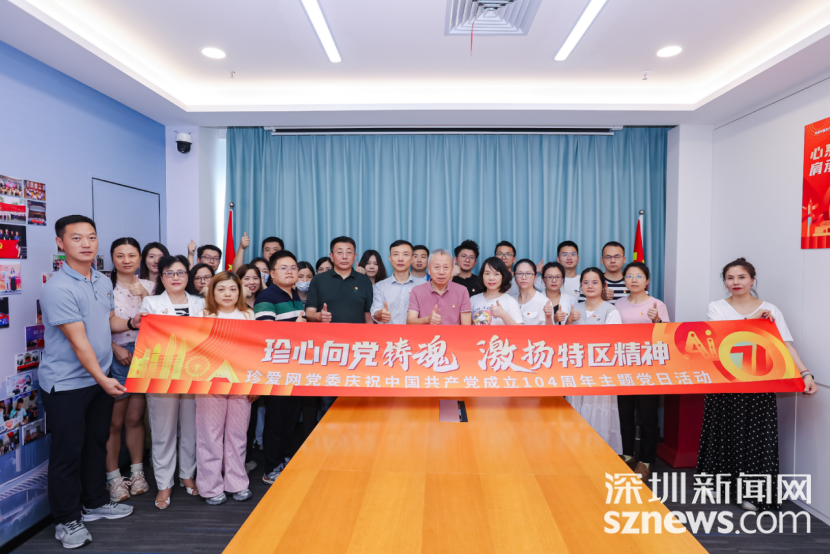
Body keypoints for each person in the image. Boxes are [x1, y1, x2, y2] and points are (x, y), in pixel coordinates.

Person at [39, 215, 134, 548]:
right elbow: (78, 342)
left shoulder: (102, 280)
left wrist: (133, 321)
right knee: (67, 452)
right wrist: (104, 380)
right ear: (60, 243)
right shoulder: (58, 288)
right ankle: (66, 520)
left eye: (91, 237)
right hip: (67, 384)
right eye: (76, 238)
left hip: (98, 380)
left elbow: (107, 321)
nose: (86, 244)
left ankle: (94, 503)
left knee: (96, 442)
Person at [697, 258, 817, 512]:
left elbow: (785, 345)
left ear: (752, 280)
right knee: (723, 433)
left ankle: (752, 494)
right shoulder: (716, 307)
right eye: (730, 278)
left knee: (756, 438)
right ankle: (721, 485)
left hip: (759, 383)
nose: (736, 282)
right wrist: (755, 319)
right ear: (724, 282)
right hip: (725, 383)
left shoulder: (770, 309)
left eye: (742, 277)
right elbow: (724, 338)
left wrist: (805, 373)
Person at [139, 255, 205, 510]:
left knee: (191, 428)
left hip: (195, 372)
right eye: (169, 273)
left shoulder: (201, 303)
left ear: (188, 276)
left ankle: (187, 474)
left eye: (180, 272)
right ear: (161, 277)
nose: (175, 277)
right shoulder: (151, 302)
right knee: (163, 431)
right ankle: (164, 483)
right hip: (162, 373)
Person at [196, 272, 256, 505]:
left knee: (237, 436)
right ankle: (210, 487)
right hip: (209, 383)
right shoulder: (202, 315)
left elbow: (256, 351)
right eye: (221, 289)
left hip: (242, 383)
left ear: (240, 291)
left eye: (232, 289)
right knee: (209, 436)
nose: (227, 294)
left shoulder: (248, 315)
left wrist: (255, 383)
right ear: (212, 292)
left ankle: (237, 483)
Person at [106, 238, 152, 503]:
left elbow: (159, 320)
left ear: (139, 258)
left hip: (144, 355)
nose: (126, 260)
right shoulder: (104, 286)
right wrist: (114, 347)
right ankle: (113, 478)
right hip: (117, 355)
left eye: (132, 255)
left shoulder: (150, 286)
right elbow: (95, 325)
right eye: (120, 255)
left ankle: (137, 473)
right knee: (114, 422)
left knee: (135, 419)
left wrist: (144, 293)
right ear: (112, 258)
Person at [254, 251, 306, 485]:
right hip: (275, 370)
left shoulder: (294, 294)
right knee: (276, 420)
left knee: (290, 419)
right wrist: (296, 327)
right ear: (272, 274)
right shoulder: (267, 296)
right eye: (284, 268)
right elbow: (266, 333)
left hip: (294, 369)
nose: (290, 271)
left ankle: (284, 458)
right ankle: (271, 468)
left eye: (293, 267)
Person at [615, 262, 670, 480]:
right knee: (625, 414)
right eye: (629, 276)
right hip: (623, 366)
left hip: (648, 367)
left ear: (647, 280)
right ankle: (628, 455)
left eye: (639, 276)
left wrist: (657, 320)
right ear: (624, 280)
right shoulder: (618, 304)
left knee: (647, 416)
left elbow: (666, 336)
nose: (634, 280)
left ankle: (646, 460)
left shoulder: (657, 304)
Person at [565, 267, 623, 455]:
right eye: (586, 282)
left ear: (604, 285)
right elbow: (564, 342)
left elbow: (613, 343)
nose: (590, 286)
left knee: (598, 411)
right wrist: (568, 322)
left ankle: (600, 455)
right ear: (580, 286)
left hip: (600, 372)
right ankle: (576, 453)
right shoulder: (574, 309)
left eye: (595, 282)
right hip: (576, 371)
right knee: (576, 409)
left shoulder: (611, 311)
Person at [306, 237, 373, 324]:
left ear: (354, 256)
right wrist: (319, 316)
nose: (344, 257)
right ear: (331, 256)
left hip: (357, 333)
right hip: (326, 333)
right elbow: (309, 313)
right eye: (339, 252)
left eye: (349, 252)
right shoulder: (318, 280)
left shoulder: (364, 281)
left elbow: (368, 317)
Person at [407, 250, 472, 325]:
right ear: (429, 269)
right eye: (437, 267)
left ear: (452, 269)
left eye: (446, 267)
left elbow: (466, 326)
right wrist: (427, 319)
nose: (441, 272)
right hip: (426, 333)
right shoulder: (417, 291)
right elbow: (410, 322)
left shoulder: (462, 291)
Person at [371, 240, 425, 325]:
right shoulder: (380, 286)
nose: (400, 259)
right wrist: (380, 314)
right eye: (396, 254)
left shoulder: (423, 285)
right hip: (389, 333)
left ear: (412, 259)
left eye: (405, 254)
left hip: (415, 332)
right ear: (390, 258)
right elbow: (375, 312)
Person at [470, 257, 523, 325]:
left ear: (503, 277)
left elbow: (520, 330)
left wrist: (503, 315)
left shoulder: (510, 301)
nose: (491, 278)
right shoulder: (473, 300)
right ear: (482, 275)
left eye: (496, 274)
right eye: (487, 273)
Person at [513, 259, 551, 325]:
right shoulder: (511, 300)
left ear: (535, 277)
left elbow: (550, 330)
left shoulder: (544, 302)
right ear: (515, 277)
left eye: (528, 273)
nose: (524, 277)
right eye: (519, 273)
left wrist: (548, 317)